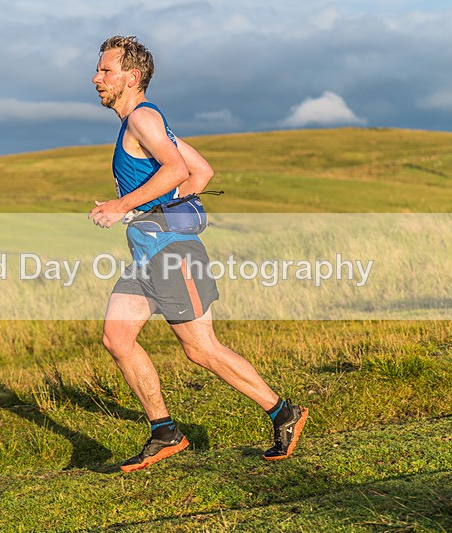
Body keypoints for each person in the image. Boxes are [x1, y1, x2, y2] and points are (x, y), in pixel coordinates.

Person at [88, 35, 307, 472]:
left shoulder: (143, 120)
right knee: (117, 337)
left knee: (201, 348)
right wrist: (167, 207)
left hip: (173, 252)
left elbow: (176, 169)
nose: (97, 78)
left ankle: (283, 413)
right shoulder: (144, 123)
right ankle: (165, 432)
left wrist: (124, 205)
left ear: (132, 77)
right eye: (98, 70)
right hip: (149, 254)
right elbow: (201, 171)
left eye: (106, 70)